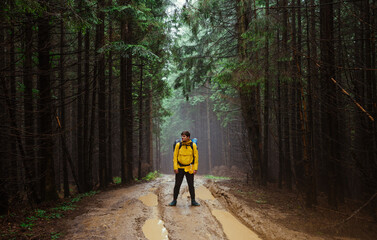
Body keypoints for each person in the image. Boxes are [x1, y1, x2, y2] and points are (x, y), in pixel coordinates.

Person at [169, 130, 200, 206]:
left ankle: (193, 201)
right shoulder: (178, 145)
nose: (182, 137)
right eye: (182, 136)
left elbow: (196, 158)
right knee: (177, 185)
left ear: (188, 137)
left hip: (189, 168)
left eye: (184, 136)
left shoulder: (193, 145)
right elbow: (175, 157)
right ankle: (174, 200)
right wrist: (175, 167)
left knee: (191, 185)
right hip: (179, 168)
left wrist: (195, 168)